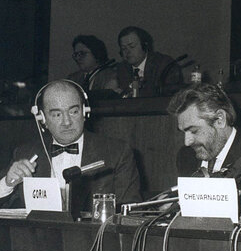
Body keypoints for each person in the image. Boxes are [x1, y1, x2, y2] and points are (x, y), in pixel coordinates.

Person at [0, 80, 141, 210]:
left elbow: (129, 211)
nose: (67, 122)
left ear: (85, 112)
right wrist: (7, 183)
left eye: (73, 112)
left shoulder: (117, 152)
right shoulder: (25, 153)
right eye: (57, 115)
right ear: (42, 118)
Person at [167, 83, 241, 199]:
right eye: (183, 132)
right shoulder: (185, 157)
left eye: (194, 131)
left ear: (220, 119)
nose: (187, 142)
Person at [116, 26, 183, 97]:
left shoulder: (164, 65)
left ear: (145, 46)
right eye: (123, 48)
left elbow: (171, 96)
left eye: (132, 46)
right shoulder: (121, 69)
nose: (127, 51)